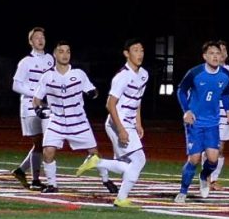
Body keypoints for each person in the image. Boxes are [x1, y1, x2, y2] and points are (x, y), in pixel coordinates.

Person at [76, 39, 149, 208]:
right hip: (118, 122)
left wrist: (138, 123)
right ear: (126, 53)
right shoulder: (122, 76)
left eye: (142, 50)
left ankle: (96, 163)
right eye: (136, 50)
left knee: (129, 165)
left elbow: (137, 100)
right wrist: (122, 129)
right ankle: (119, 195)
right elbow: (110, 104)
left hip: (128, 123)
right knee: (139, 160)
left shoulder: (144, 74)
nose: (140, 54)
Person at [32, 41, 108, 194]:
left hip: (79, 120)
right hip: (57, 120)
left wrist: (93, 93)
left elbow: (93, 90)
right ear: (55, 54)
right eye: (61, 51)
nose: (65, 55)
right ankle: (52, 185)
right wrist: (39, 110)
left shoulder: (79, 74)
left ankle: (106, 180)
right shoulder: (47, 76)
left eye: (67, 51)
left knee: (94, 153)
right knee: (48, 151)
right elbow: (36, 100)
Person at [175, 41, 229, 203]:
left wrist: (228, 110)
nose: (216, 56)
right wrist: (186, 111)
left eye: (218, 53)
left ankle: (204, 175)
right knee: (193, 159)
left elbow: (225, 94)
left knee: (213, 159)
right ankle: (183, 191)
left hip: (213, 123)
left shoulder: (225, 75)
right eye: (212, 53)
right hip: (195, 122)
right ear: (205, 56)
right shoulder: (195, 73)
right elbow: (181, 90)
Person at [10, 27, 55, 190]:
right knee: (39, 142)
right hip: (30, 106)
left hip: (46, 106)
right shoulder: (25, 62)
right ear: (31, 41)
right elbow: (15, 85)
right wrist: (36, 94)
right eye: (36, 37)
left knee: (44, 143)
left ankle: (22, 171)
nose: (40, 40)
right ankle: (34, 179)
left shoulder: (51, 59)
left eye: (42, 37)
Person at [207, 40, 229, 190]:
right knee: (208, 147)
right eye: (217, 51)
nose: (219, 54)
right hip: (207, 113)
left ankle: (214, 179)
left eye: (222, 51)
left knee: (220, 148)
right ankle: (206, 178)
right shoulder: (203, 70)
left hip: (223, 113)